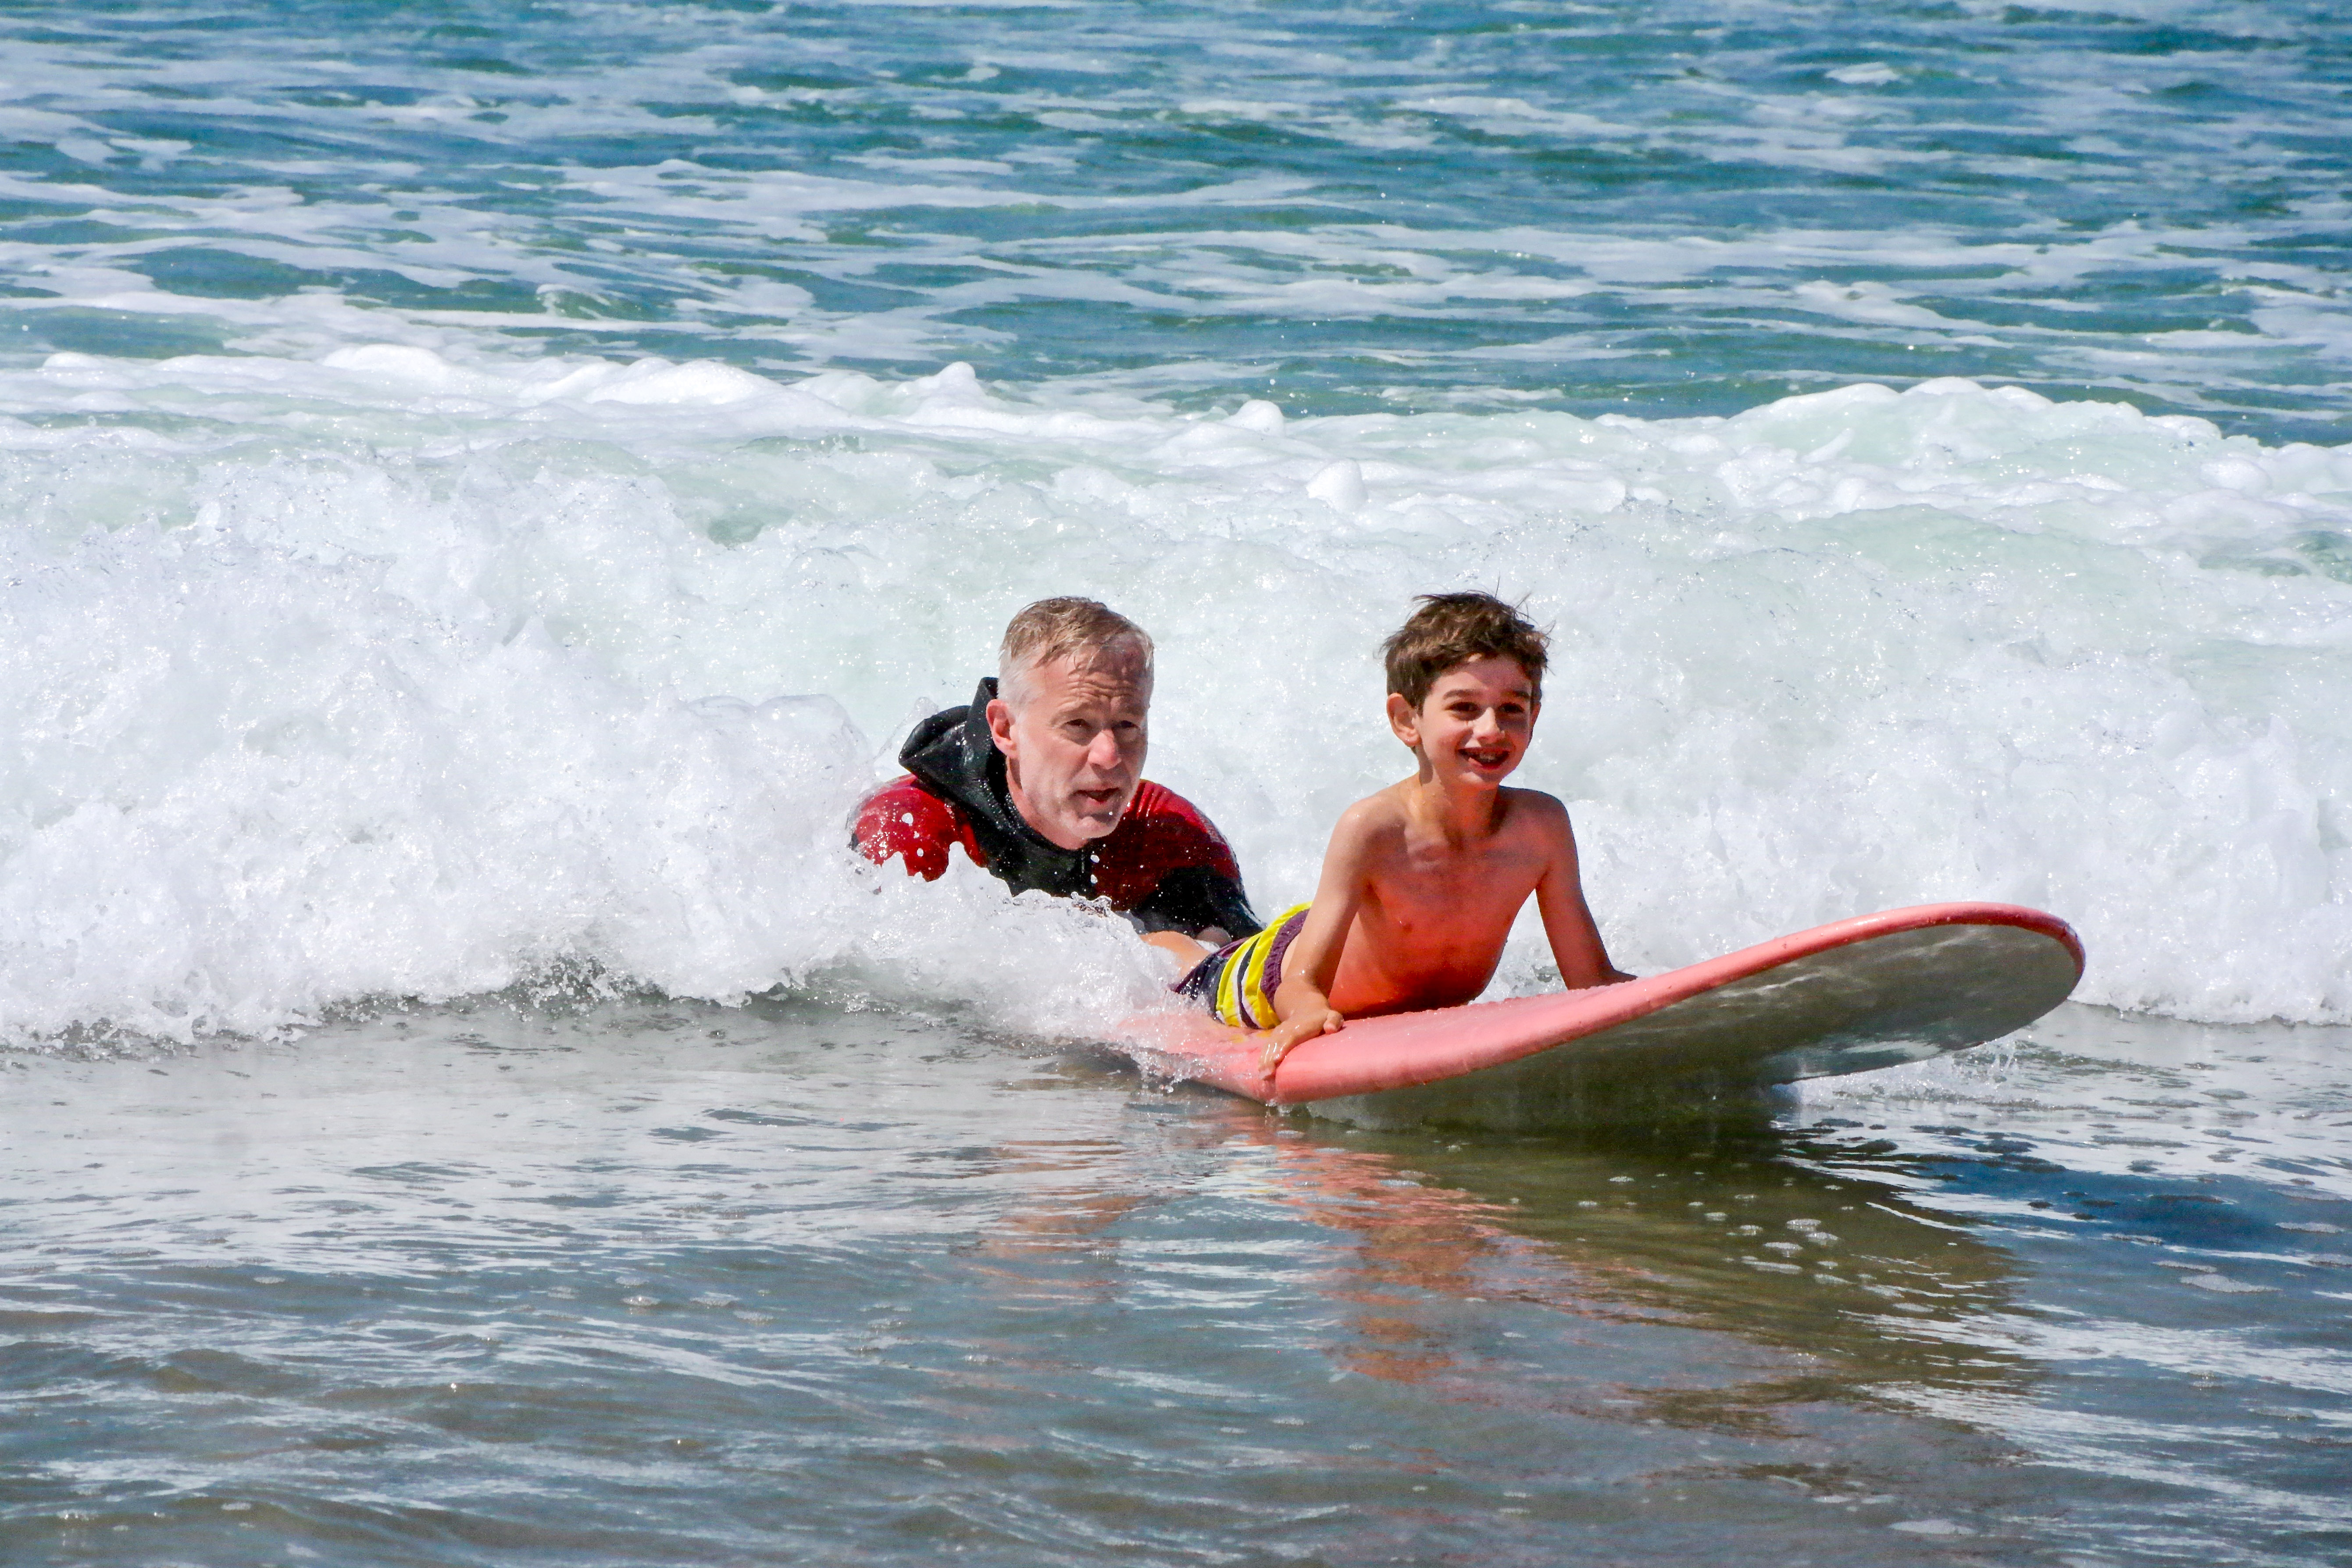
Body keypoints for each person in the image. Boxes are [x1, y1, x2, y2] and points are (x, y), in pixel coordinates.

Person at [1168, 592, 1631, 1078]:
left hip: (1329, 934)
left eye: (1511, 708)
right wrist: (1306, 1013)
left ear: (1534, 716)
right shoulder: (1373, 828)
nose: (1491, 729)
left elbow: (1590, 980)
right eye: (1465, 707)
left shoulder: (1542, 828)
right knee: (1185, 962)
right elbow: (1298, 984)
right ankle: (1170, 943)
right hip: (1263, 979)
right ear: (1406, 719)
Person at [853, 597, 1260, 947]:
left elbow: (1249, 962)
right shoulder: (913, 830)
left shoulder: (1168, 835)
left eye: (1127, 725)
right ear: (1005, 729)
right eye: (1077, 725)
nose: (1110, 756)